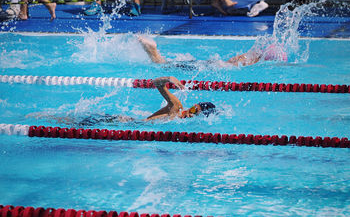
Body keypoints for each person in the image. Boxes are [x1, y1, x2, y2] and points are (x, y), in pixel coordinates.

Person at [26, 76, 217, 125]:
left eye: (193, 113)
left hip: (125, 125)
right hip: (121, 122)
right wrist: (168, 79)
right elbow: (156, 84)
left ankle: (38, 116)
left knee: (71, 122)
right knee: (67, 122)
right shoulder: (177, 108)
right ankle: (34, 117)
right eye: (192, 109)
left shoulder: (180, 120)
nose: (188, 113)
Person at [138, 35, 286, 67]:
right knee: (163, 65)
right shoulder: (251, 62)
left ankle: (153, 51)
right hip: (216, 67)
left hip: (215, 64)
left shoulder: (248, 57)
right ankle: (152, 51)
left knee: (167, 64)